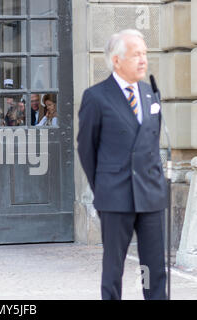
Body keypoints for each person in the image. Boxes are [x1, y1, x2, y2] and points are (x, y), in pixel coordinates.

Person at [77, 29, 168, 300]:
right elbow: (86, 149)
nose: (143, 61)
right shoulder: (96, 96)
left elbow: (152, 142)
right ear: (117, 60)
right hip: (116, 196)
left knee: (153, 267)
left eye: (144, 54)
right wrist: (103, 187)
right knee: (113, 268)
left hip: (150, 195)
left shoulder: (151, 92)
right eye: (136, 55)